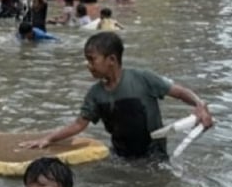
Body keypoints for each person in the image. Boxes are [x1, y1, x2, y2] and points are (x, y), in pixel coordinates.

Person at [21, 32, 213, 160]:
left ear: (111, 60)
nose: (88, 65)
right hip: (121, 157)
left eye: (92, 59)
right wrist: (49, 139)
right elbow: (79, 124)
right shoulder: (95, 94)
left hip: (154, 157)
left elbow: (179, 92)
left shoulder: (143, 79)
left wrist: (200, 106)